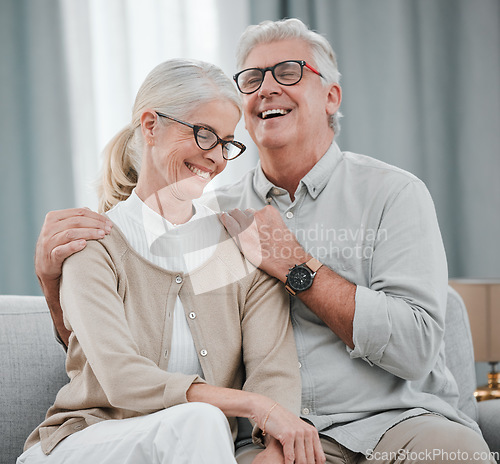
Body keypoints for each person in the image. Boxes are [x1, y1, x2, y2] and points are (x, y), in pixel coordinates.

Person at [34, 19, 495, 464]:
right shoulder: (218, 221)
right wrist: (54, 289)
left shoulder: (392, 194)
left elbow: (416, 348)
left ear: (331, 96)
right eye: (253, 78)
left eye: (288, 72)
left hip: (397, 424)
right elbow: (142, 332)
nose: (267, 87)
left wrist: (295, 265)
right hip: (269, 434)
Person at [19, 58, 326, 464]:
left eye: (227, 142)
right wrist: (253, 406)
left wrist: (271, 445)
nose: (216, 157)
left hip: (195, 448)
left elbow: (274, 369)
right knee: (200, 420)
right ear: (150, 126)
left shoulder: (242, 247)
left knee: (205, 424)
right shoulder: (94, 242)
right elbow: (122, 377)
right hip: (86, 442)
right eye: (204, 135)